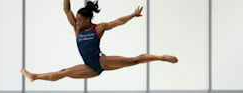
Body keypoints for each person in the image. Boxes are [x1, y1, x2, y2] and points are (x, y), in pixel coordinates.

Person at [21, 0, 178, 82]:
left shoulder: (98, 28)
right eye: (77, 20)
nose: (77, 22)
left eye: (80, 20)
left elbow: (118, 22)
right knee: (64, 72)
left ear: (88, 19)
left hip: (101, 61)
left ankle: (162, 57)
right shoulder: (77, 29)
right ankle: (34, 76)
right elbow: (66, 10)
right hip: (90, 68)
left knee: (133, 60)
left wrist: (132, 15)